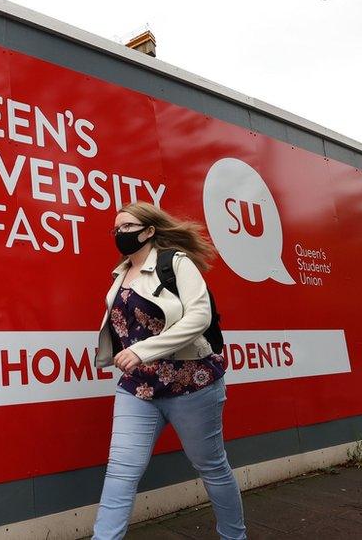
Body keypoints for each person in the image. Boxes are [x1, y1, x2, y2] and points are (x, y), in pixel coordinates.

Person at [91, 202, 246, 540]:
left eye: (128, 227)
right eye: (116, 229)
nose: (120, 234)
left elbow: (199, 317)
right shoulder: (119, 275)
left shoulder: (175, 263)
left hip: (190, 383)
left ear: (148, 231)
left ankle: (234, 537)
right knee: (121, 471)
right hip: (138, 388)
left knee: (212, 467)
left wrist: (141, 350)